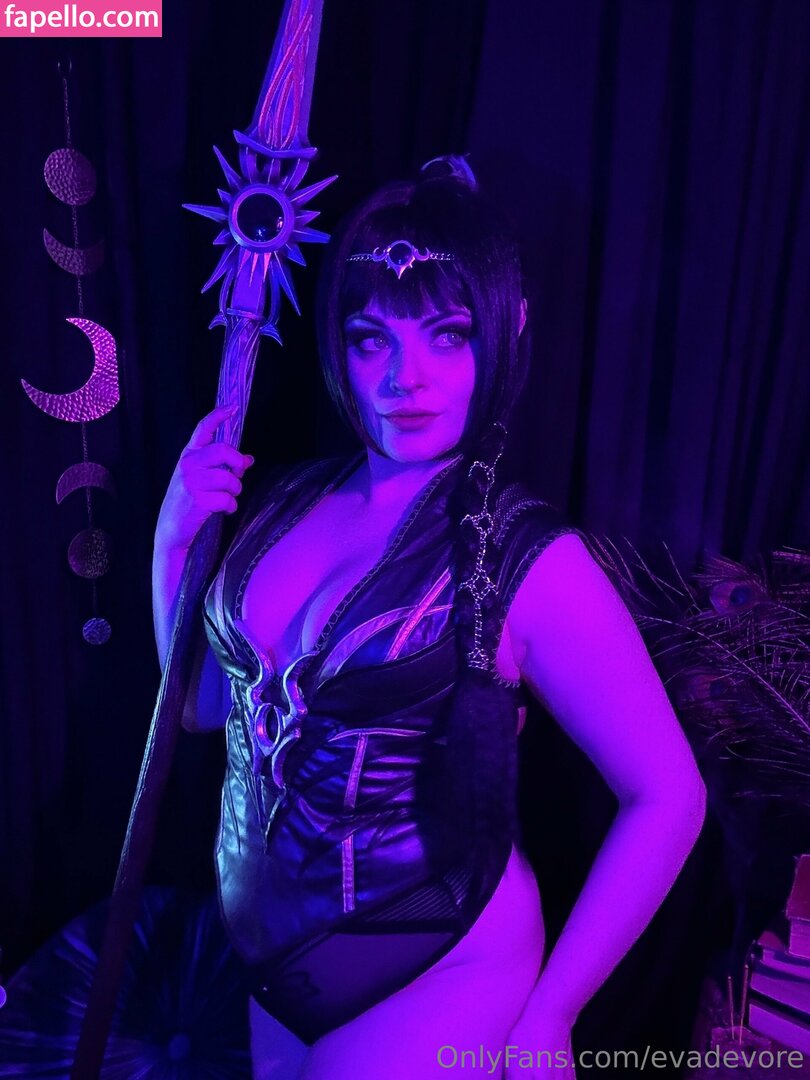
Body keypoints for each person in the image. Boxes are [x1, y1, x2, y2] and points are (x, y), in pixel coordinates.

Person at [152, 157, 707, 1079]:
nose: (405, 378)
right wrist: (172, 542)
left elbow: (669, 796)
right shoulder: (285, 502)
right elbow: (200, 708)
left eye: (447, 335)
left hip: (439, 968)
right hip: (266, 962)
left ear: (504, 333)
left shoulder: (528, 557)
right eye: (372, 339)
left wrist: (553, 1012)